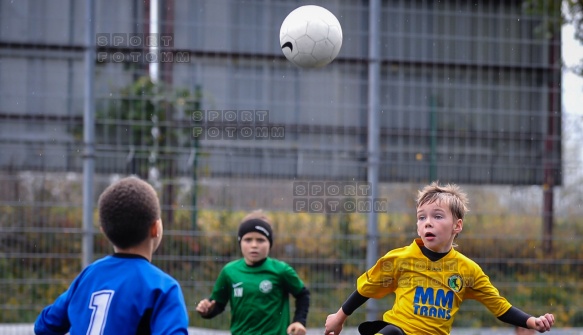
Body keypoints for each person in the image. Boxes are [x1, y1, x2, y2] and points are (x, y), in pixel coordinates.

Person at [324, 182, 555, 335]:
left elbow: (499, 307)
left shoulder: (467, 270)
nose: (428, 222)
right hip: (397, 330)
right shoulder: (401, 258)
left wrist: (531, 322)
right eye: (421, 217)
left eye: (437, 216)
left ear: (457, 225)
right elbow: (366, 287)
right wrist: (339, 317)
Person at [34, 176, 189, 335]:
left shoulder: (89, 275)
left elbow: (44, 325)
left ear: (104, 231)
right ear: (155, 228)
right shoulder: (162, 288)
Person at [196, 210, 310, 335]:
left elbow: (303, 294)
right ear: (240, 242)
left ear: (269, 243)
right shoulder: (229, 271)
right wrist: (207, 310)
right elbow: (217, 304)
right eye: (248, 240)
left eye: (260, 240)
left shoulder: (281, 270)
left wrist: (299, 321)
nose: (254, 245)